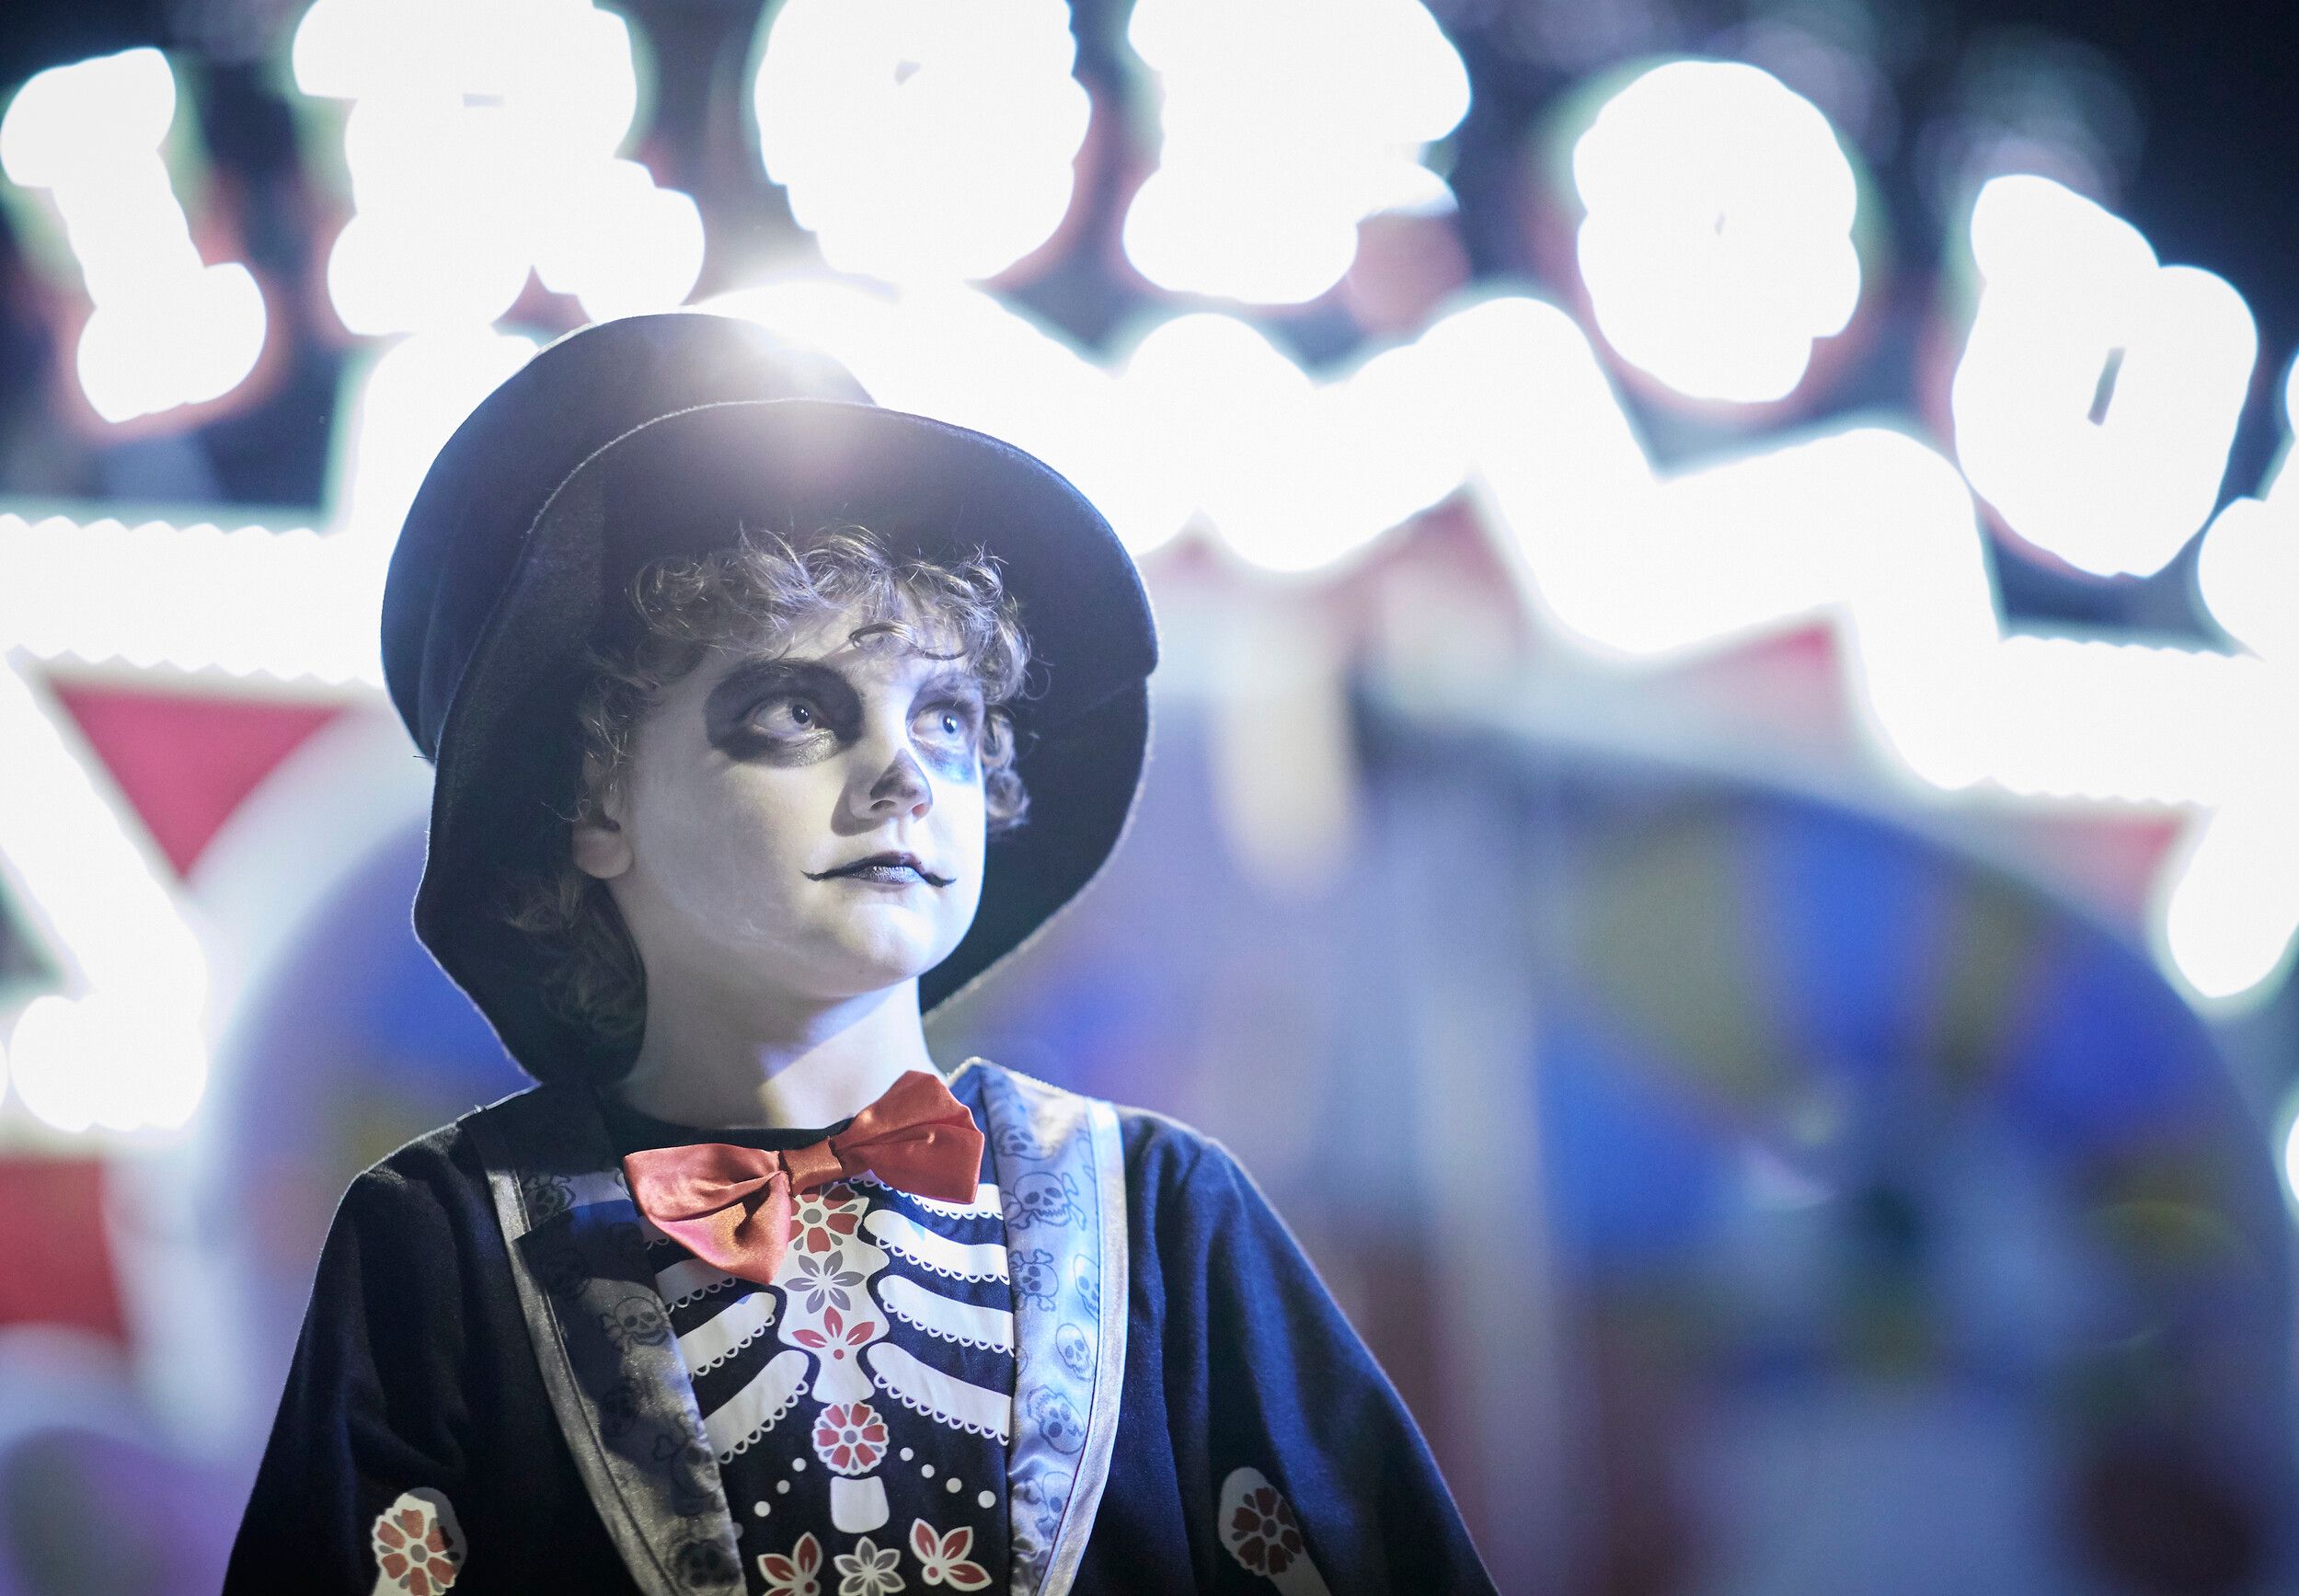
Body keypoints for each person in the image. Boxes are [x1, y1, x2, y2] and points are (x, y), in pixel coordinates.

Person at [225, 313, 1496, 1595]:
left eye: (946, 716)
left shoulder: (1161, 1216)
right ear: (594, 801)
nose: (902, 776)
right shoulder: (444, 1251)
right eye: (796, 709)